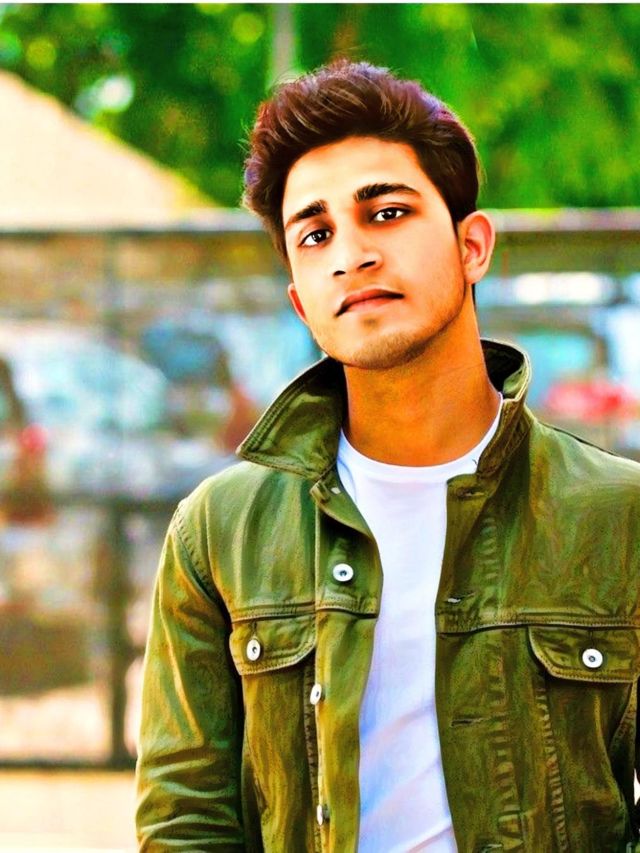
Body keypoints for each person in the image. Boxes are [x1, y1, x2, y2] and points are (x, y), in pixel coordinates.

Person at [135, 60, 640, 852]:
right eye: (315, 234)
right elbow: (185, 822)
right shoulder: (219, 532)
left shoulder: (619, 515)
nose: (352, 254)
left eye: (388, 212)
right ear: (301, 299)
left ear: (472, 245)